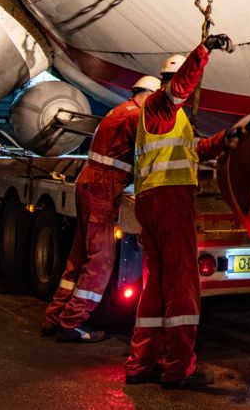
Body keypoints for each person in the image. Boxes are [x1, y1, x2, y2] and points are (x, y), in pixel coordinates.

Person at [124, 34, 234, 389]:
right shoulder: (160, 106)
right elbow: (179, 87)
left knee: (156, 288)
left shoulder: (170, 119)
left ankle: (141, 363)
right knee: (183, 285)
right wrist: (203, 51)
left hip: (152, 201)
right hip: (170, 202)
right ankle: (178, 368)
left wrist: (225, 140)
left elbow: (193, 151)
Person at [43, 73, 162, 343]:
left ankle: (55, 317)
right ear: (151, 97)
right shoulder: (137, 117)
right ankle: (71, 322)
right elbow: (149, 154)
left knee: (79, 256)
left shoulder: (118, 111)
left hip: (90, 181)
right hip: (103, 187)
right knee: (101, 260)